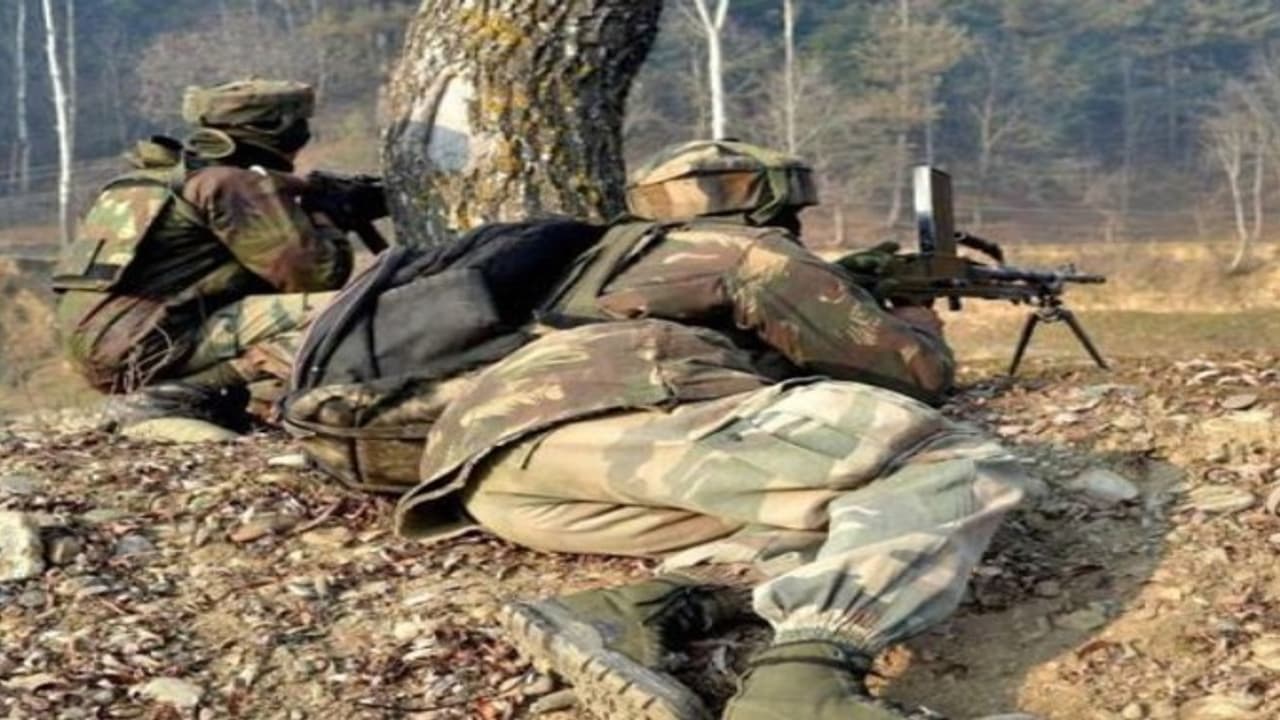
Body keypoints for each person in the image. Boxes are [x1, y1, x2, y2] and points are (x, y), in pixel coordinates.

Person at [391, 140, 1030, 719]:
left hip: (488, 477)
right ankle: (801, 689)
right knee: (943, 460)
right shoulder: (750, 251)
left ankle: (628, 612)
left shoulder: (599, 259)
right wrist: (917, 320)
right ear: (770, 204)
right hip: (619, 416)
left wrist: (845, 281)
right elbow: (909, 375)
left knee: (852, 514)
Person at [51, 80, 352, 428]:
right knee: (354, 311)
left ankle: (218, 398)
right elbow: (319, 275)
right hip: (148, 344)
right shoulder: (228, 184)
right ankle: (178, 395)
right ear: (279, 131)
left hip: (104, 347)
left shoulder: (150, 181)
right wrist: (323, 213)